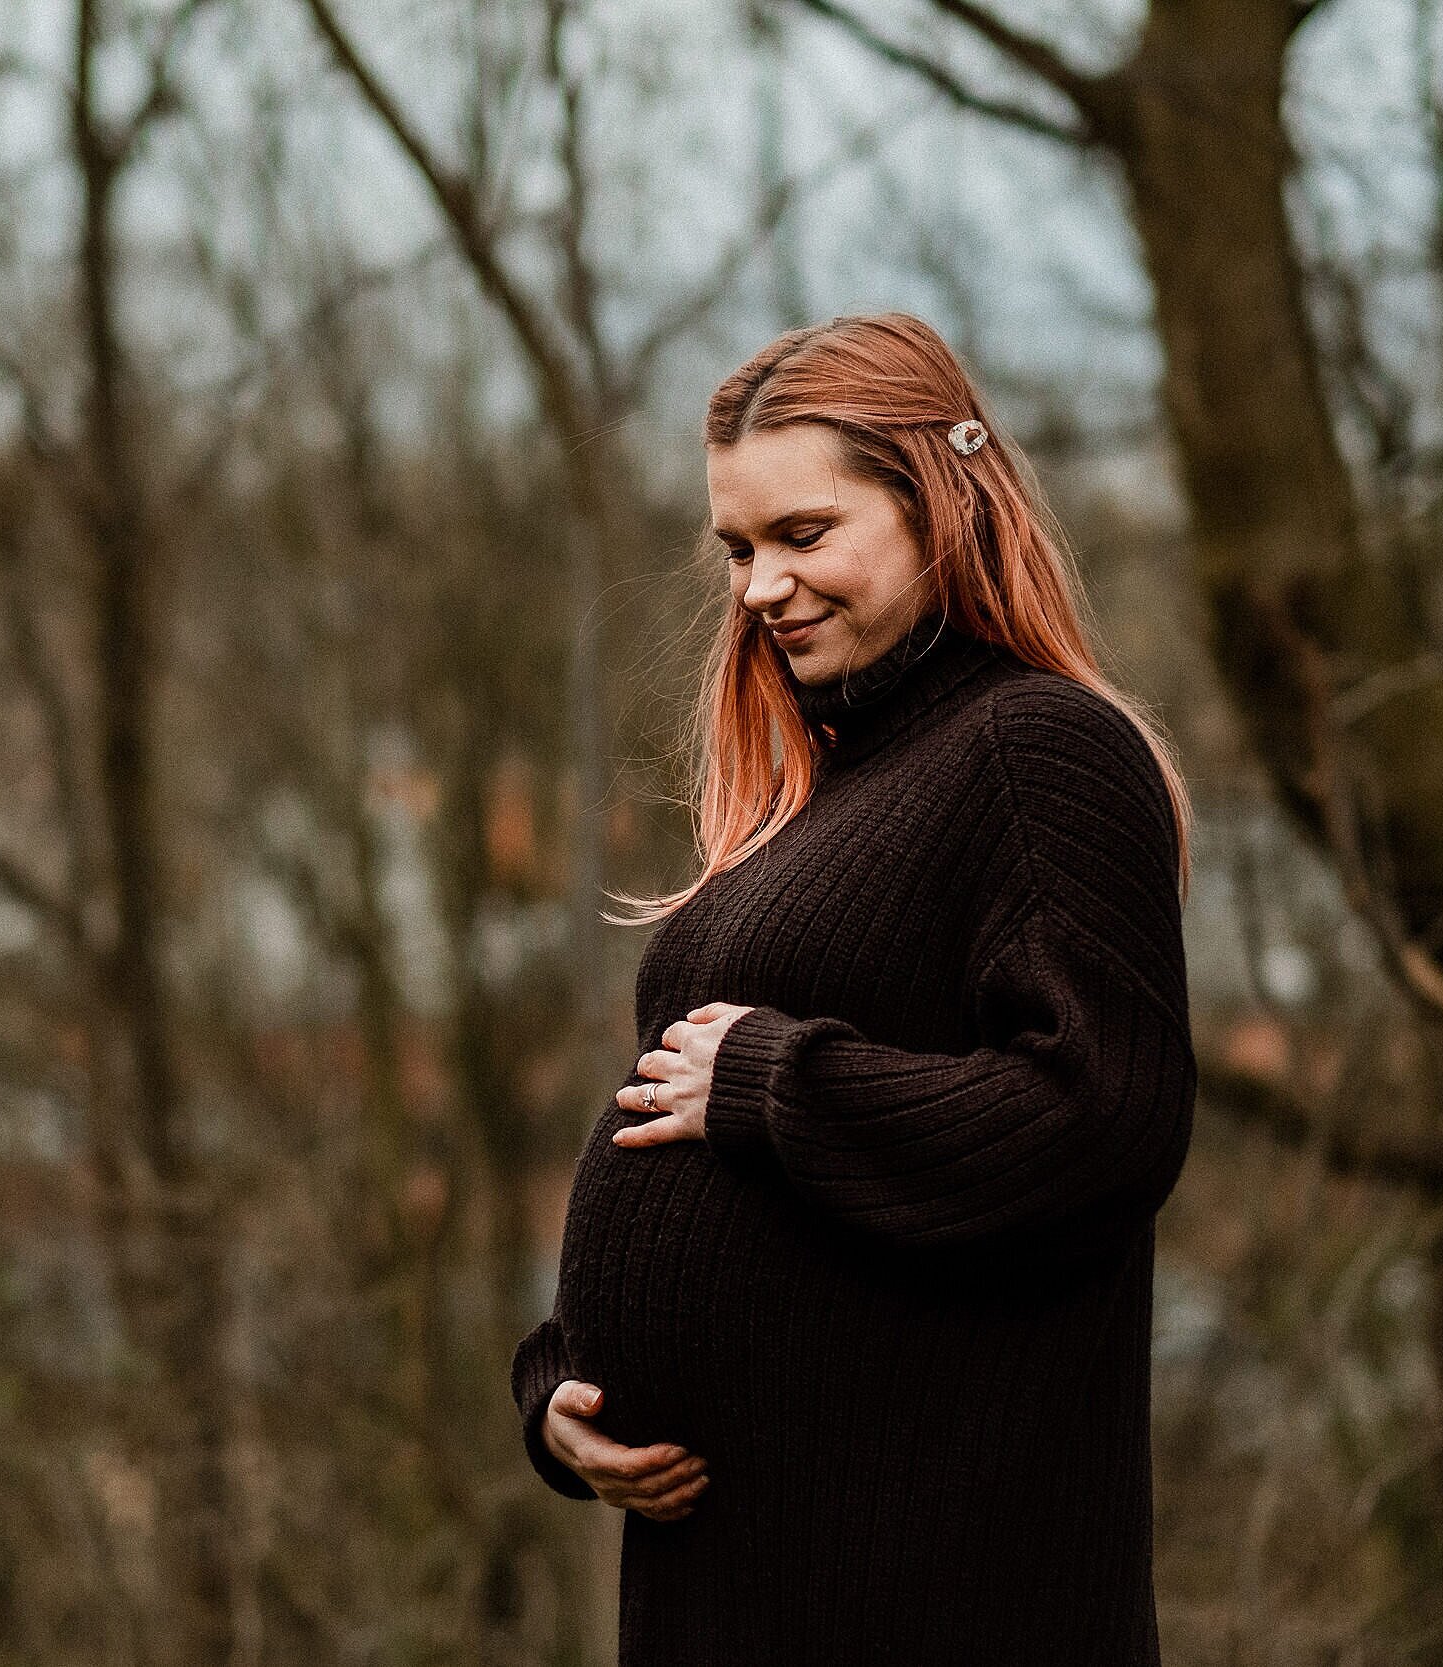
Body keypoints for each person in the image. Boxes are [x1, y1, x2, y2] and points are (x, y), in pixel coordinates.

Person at [509, 312, 1199, 1665]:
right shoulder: (829, 795)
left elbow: (1104, 1116)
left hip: (928, 1590)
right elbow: (679, 1154)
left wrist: (776, 1082)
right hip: (738, 1579)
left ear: (939, 504)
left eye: (804, 535)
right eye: (738, 550)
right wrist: (560, 1389)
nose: (761, 586)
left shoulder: (1037, 753)